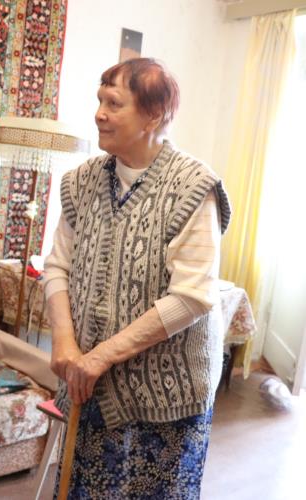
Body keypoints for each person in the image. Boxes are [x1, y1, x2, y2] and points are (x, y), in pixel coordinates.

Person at [43, 58, 231, 499]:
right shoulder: (80, 182)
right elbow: (58, 266)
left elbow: (192, 296)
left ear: (153, 116)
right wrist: (65, 343)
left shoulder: (193, 187)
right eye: (99, 101)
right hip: (89, 385)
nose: (99, 114)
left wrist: (101, 356)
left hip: (166, 397)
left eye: (114, 103)